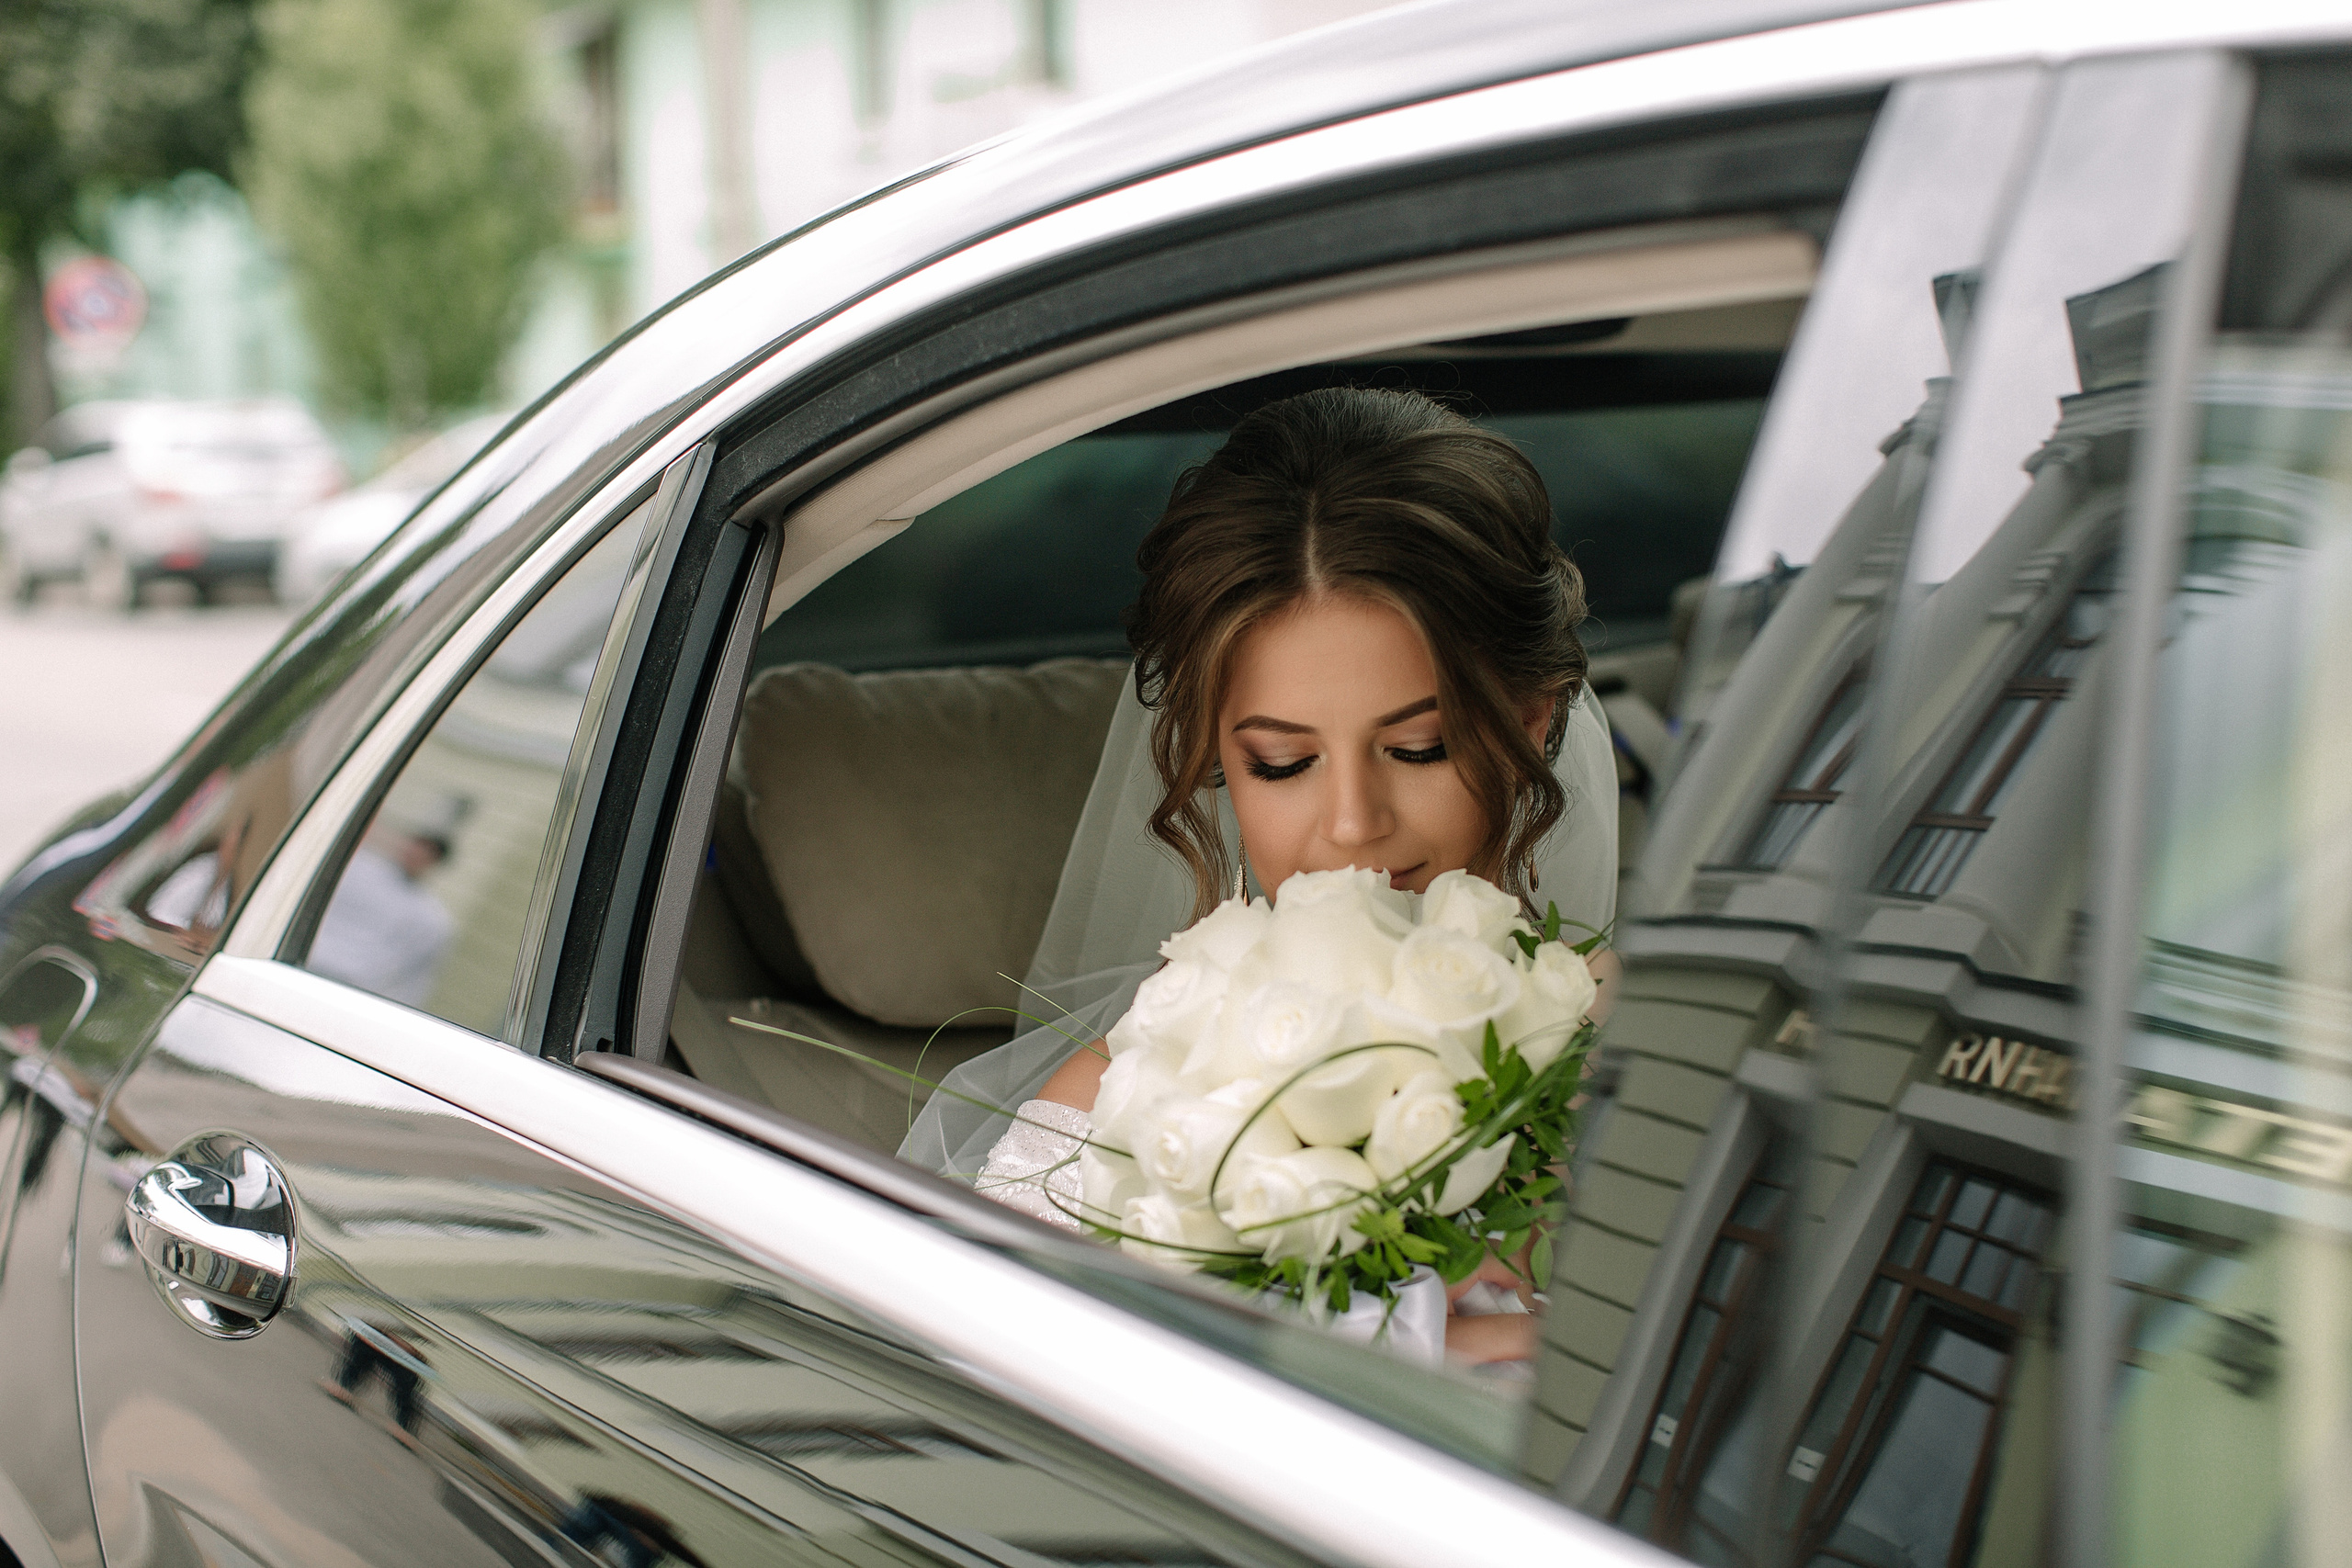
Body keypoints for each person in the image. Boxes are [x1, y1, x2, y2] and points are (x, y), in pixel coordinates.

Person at [909, 387, 1622, 1364]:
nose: (1353, 825)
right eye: (1282, 763)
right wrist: (1411, 1348)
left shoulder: (1653, 1046)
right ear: (1217, 761)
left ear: (1532, 725)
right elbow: (991, 1391)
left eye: (1420, 747)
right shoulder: (1129, 1094)